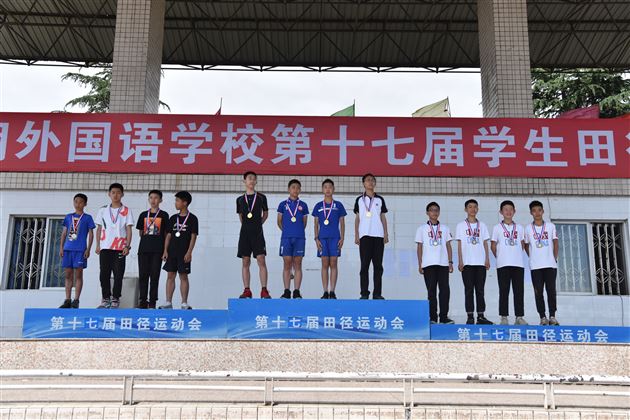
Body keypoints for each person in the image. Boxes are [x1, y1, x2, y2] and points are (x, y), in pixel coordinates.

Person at [95, 183, 134, 309]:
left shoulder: (126, 210)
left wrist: (127, 246)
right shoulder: (102, 210)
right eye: (113, 192)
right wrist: (98, 245)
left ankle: (116, 298)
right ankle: (105, 298)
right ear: (109, 194)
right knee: (104, 274)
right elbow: (99, 229)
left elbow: (129, 229)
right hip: (105, 246)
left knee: (118, 274)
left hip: (120, 247)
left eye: (118, 192)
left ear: (122, 194)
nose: (115, 195)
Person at [455, 199, 493, 325]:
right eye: (470, 207)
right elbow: (459, 244)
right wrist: (460, 261)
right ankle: (470, 316)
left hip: (480, 263)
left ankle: (481, 316)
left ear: (478, 209)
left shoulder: (482, 225)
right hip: (467, 263)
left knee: (480, 290)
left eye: (475, 207)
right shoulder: (461, 226)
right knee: (469, 290)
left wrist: (487, 259)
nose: (472, 209)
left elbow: (485, 243)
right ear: (466, 209)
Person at [416, 202, 454, 324]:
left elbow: (448, 245)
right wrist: (420, 264)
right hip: (428, 264)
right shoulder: (421, 229)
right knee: (431, 291)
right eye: (432, 210)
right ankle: (432, 317)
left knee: (444, 291)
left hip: (443, 264)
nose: (434, 212)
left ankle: (443, 317)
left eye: (437, 210)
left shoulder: (445, 228)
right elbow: (419, 247)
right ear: (427, 213)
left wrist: (450, 262)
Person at [491, 200, 528, 325]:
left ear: (514, 211)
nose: (508, 212)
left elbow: (522, 244)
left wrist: (514, 254)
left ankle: (519, 317)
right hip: (503, 264)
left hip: (518, 264)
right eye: (505, 209)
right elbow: (493, 245)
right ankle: (504, 317)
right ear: (501, 212)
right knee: (504, 291)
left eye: (511, 209)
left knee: (519, 291)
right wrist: (500, 257)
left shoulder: (520, 228)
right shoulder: (497, 228)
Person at [160, 191, 198, 309]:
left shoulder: (192, 219)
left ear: (185, 203)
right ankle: (168, 302)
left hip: (184, 253)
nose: (175, 203)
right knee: (170, 276)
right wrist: (165, 250)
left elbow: (193, 237)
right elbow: (168, 235)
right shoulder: (173, 218)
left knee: (183, 276)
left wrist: (189, 252)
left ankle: (184, 303)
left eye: (177, 200)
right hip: (172, 252)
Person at [524, 200, 560, 326]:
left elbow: (555, 243)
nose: (537, 213)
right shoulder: (528, 228)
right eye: (534, 211)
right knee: (538, 292)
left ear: (543, 211)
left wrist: (554, 257)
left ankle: (552, 316)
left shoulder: (550, 226)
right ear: (531, 213)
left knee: (551, 291)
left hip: (550, 265)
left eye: (539, 210)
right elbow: (526, 245)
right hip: (535, 266)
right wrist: (532, 257)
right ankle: (542, 317)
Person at [354, 173, 388, 299]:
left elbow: (383, 217)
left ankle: (377, 293)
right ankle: (364, 293)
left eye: (372, 180)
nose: (370, 182)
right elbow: (357, 218)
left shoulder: (380, 199)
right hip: (365, 236)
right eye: (368, 180)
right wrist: (357, 234)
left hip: (378, 236)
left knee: (378, 266)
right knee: (364, 266)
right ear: (364, 183)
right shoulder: (359, 200)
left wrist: (385, 233)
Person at [237, 171, 271, 299]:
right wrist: (247, 226)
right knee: (245, 261)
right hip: (245, 234)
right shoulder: (240, 199)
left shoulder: (262, 197)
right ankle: (247, 290)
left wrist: (258, 224)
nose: (251, 180)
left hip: (258, 233)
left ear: (256, 181)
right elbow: (241, 216)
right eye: (249, 178)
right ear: (244, 181)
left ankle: (264, 290)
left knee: (261, 259)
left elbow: (265, 214)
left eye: (253, 178)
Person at [59, 193, 96, 308]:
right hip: (68, 249)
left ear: (85, 204)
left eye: (80, 202)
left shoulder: (87, 218)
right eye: (76, 201)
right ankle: (67, 299)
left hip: (80, 250)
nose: (78, 204)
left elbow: (91, 234)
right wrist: (61, 247)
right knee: (68, 275)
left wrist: (88, 249)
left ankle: (76, 300)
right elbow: (64, 233)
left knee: (78, 275)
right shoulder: (68, 217)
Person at [312, 179, 347, 299]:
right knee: (324, 264)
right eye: (325, 187)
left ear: (333, 189)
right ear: (322, 189)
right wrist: (316, 239)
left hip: (335, 238)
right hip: (322, 238)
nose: (328, 189)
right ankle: (325, 291)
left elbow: (342, 223)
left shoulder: (338, 205)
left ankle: (332, 291)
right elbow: (315, 224)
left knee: (334, 263)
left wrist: (342, 238)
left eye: (330, 187)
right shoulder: (318, 206)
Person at [135, 190, 169, 309]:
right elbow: (141, 232)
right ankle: (143, 300)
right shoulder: (143, 214)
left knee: (154, 276)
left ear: (160, 200)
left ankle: (153, 301)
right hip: (144, 250)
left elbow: (166, 234)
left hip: (157, 250)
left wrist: (165, 250)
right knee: (143, 275)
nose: (153, 200)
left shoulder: (164, 215)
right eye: (151, 198)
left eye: (156, 198)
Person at [277, 179, 309, 298]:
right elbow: (279, 221)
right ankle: (286, 291)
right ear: (289, 189)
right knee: (287, 263)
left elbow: (304, 223)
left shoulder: (303, 205)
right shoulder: (282, 205)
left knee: (298, 264)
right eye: (293, 187)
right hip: (286, 238)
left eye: (298, 188)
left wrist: (297, 231)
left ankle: (296, 291)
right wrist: (287, 231)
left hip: (299, 238)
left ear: (300, 190)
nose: (295, 190)